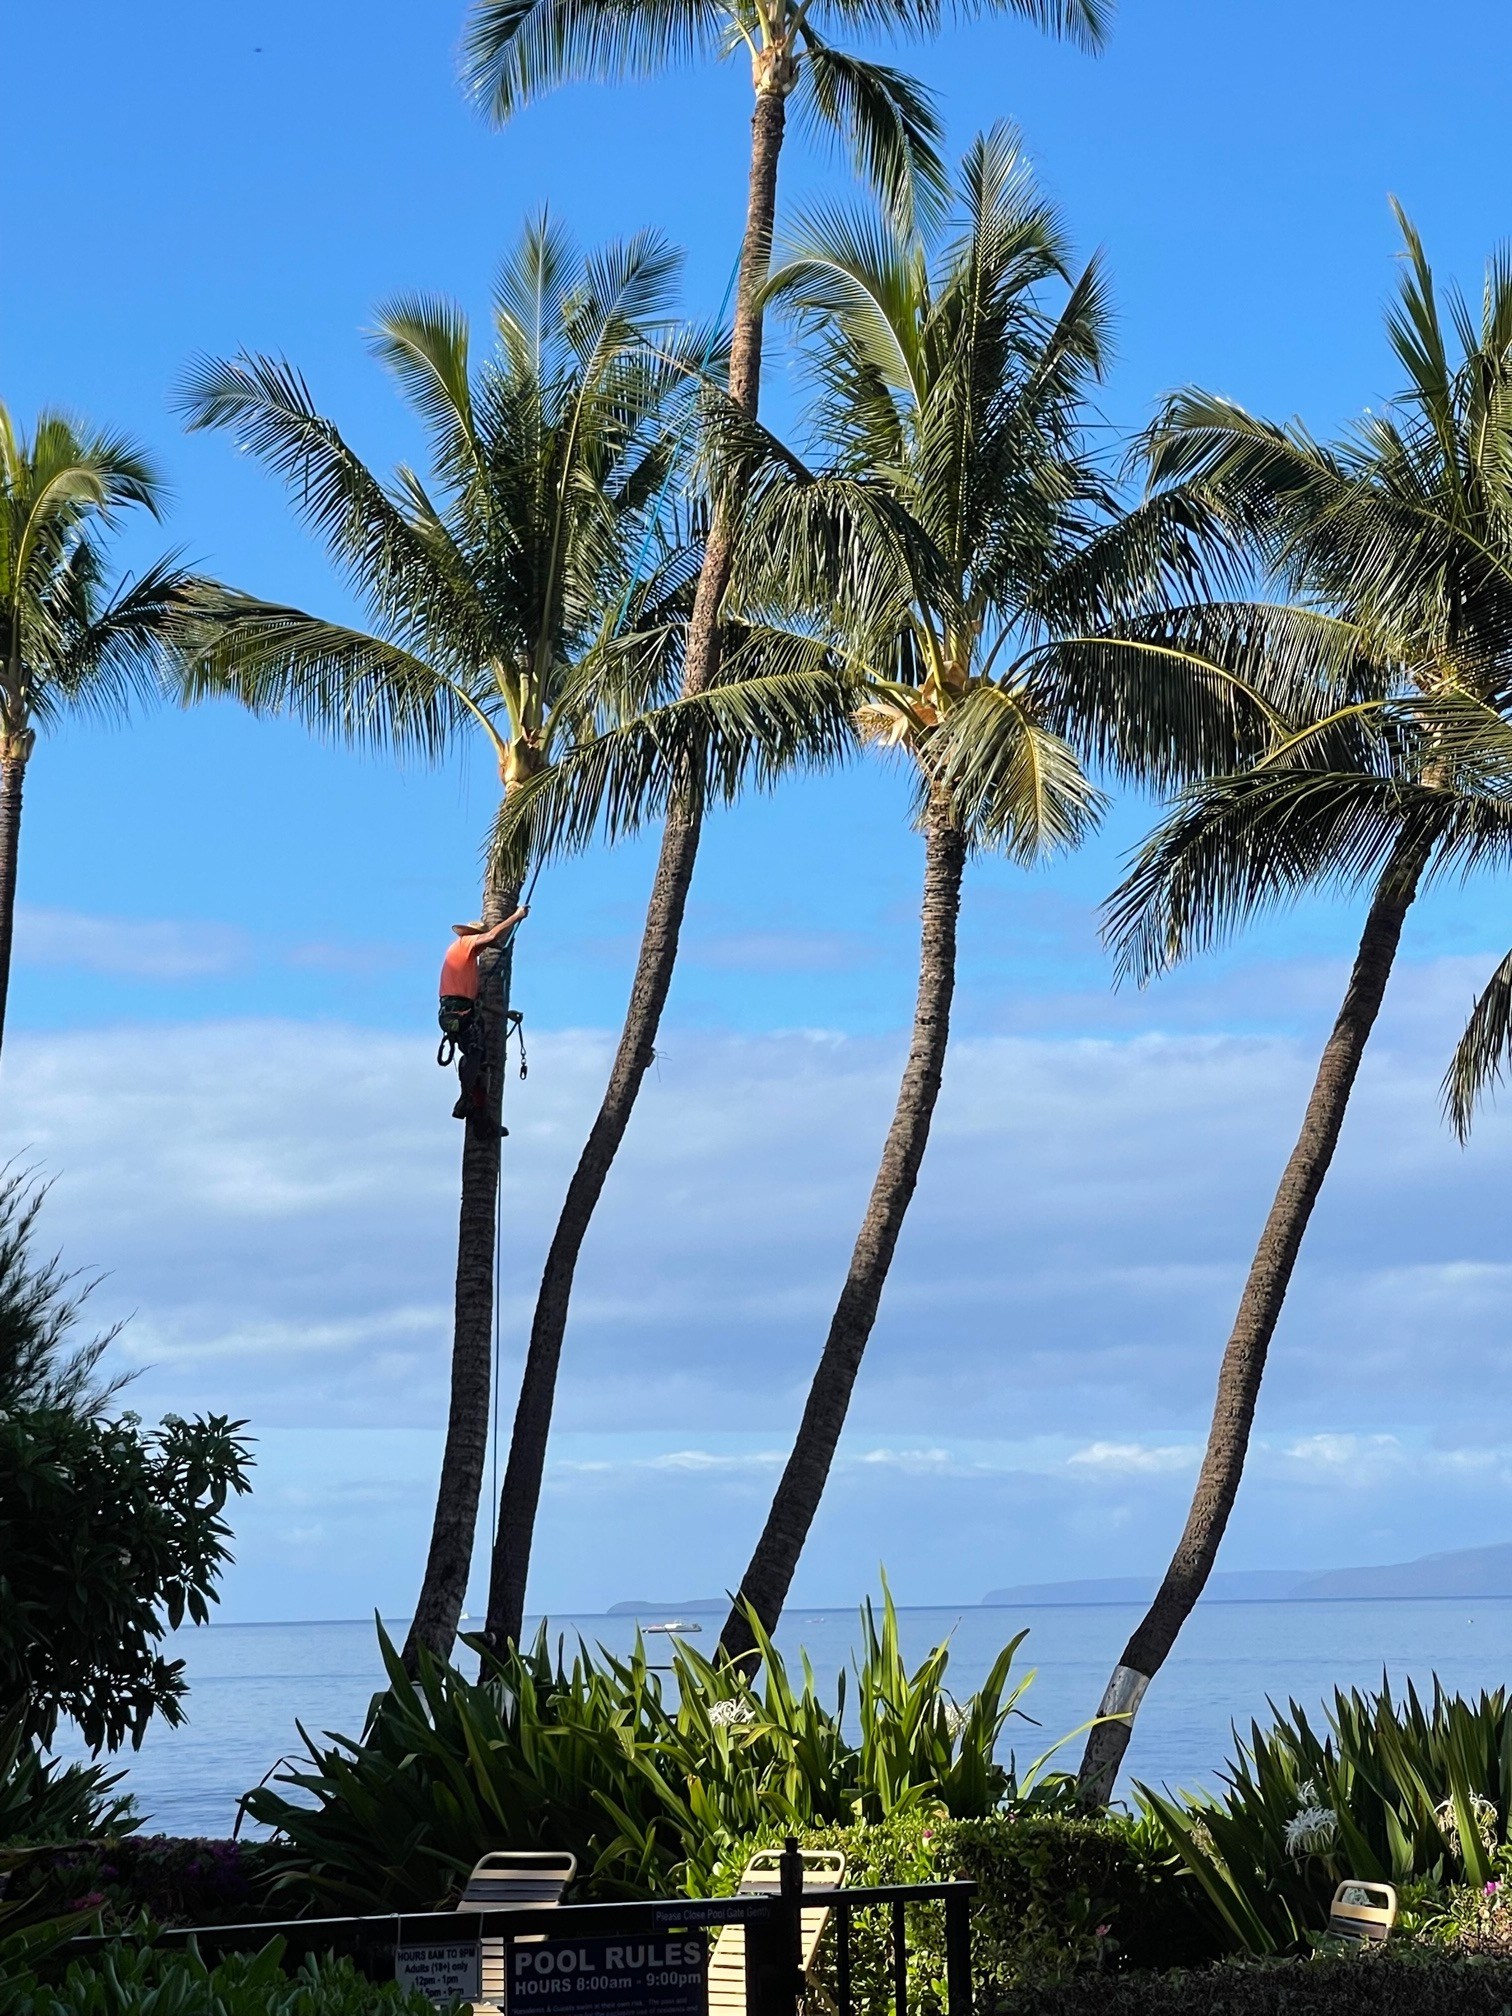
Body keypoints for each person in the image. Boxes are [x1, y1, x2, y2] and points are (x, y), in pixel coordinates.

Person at [438, 908, 528, 1124]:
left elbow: (477, 1003)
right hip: (458, 1013)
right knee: (476, 1052)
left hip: (458, 1012)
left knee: (480, 1061)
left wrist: (506, 1014)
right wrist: (516, 916)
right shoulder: (464, 943)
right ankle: (465, 1098)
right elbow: (491, 937)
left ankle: (480, 1115)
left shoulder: (468, 965)